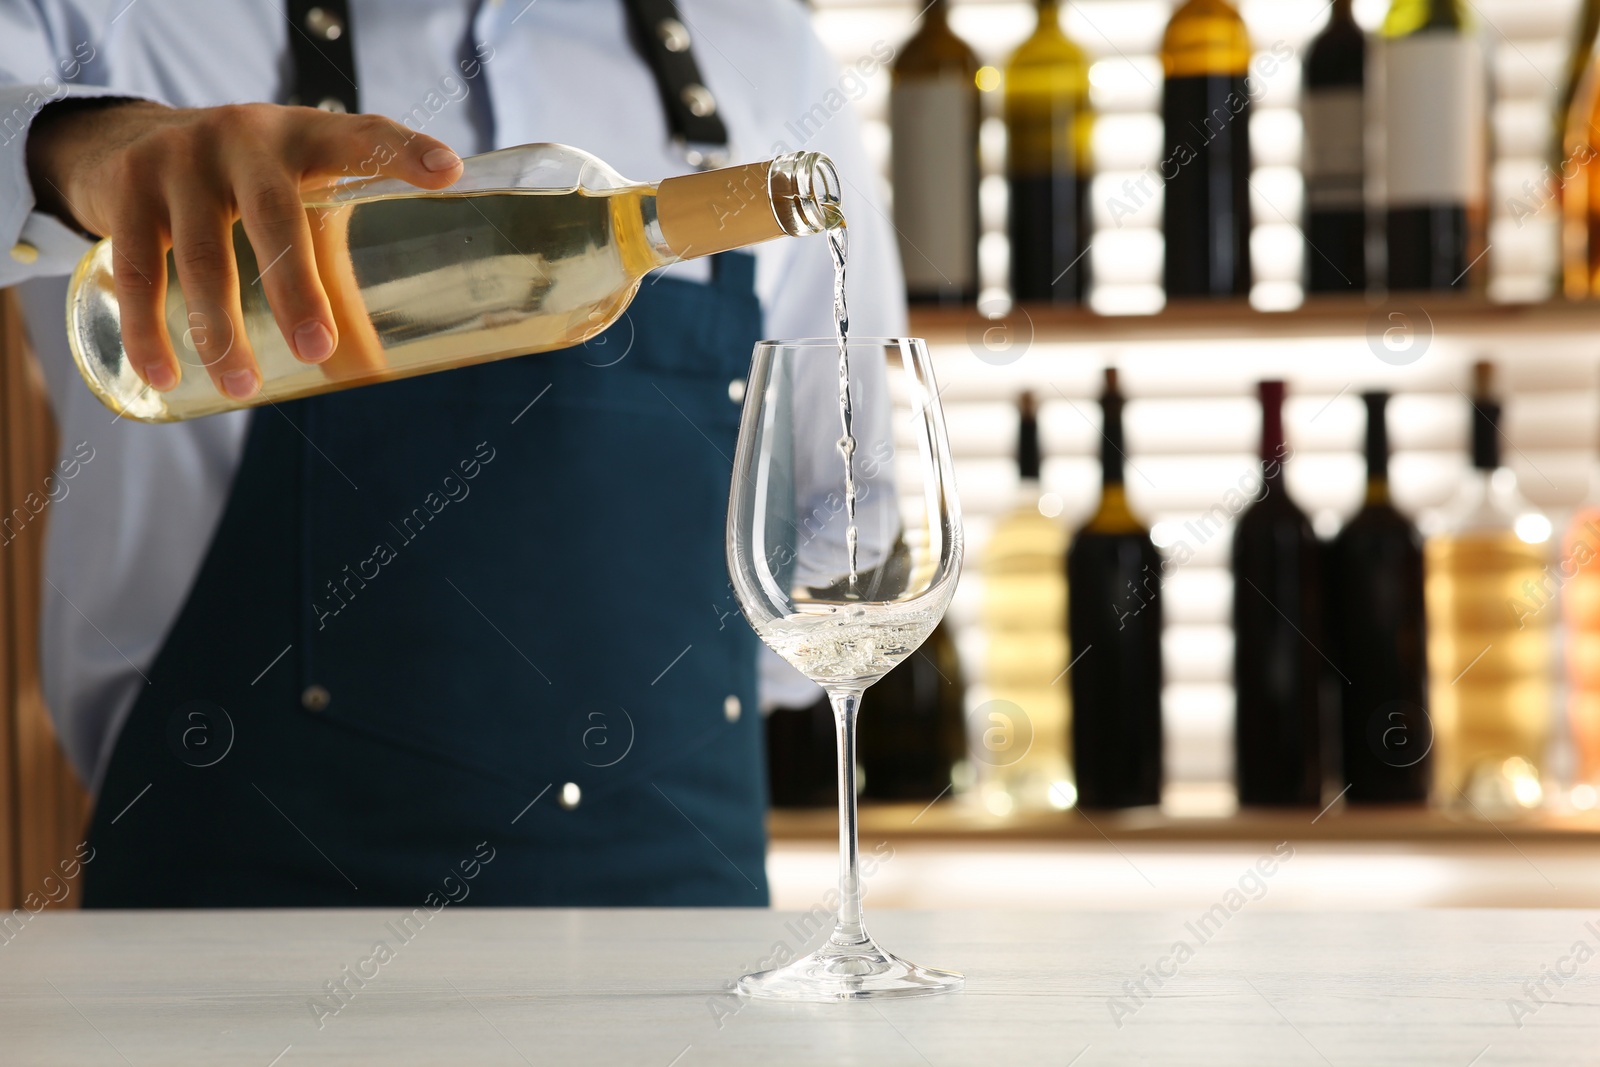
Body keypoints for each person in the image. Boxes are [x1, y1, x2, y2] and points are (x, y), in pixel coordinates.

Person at [0, 0, 905, 906]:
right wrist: (87, 146)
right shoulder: (111, 18)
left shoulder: (765, 49)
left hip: (682, 933)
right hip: (238, 929)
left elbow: (844, 521)